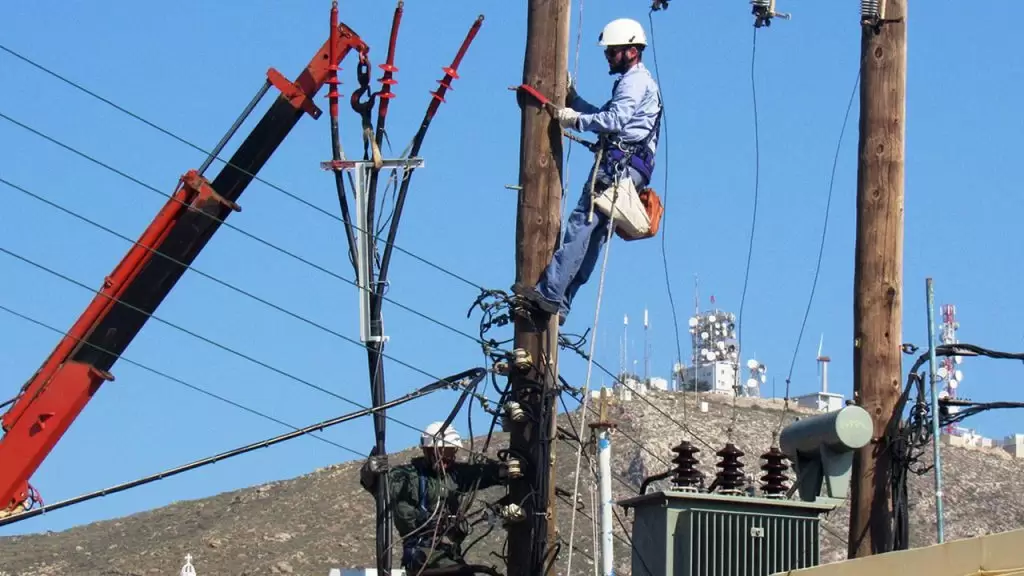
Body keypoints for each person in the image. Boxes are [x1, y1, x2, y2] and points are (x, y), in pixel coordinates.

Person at [513, 17, 663, 326]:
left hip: (617, 169)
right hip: (630, 169)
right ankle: (562, 302)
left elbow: (614, 120)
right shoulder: (639, 83)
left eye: (613, 51)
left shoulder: (634, 82)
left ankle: (549, 294)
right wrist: (573, 99)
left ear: (632, 51)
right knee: (592, 238)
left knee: (581, 227)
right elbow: (604, 115)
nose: (608, 57)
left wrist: (574, 120)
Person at [359, 421, 508, 574]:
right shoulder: (408, 477)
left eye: (450, 453)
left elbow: (479, 474)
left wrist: (505, 471)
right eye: (442, 452)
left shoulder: (455, 476)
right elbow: (377, 486)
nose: (446, 459)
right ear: (427, 451)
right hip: (422, 554)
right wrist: (370, 470)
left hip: (448, 553)